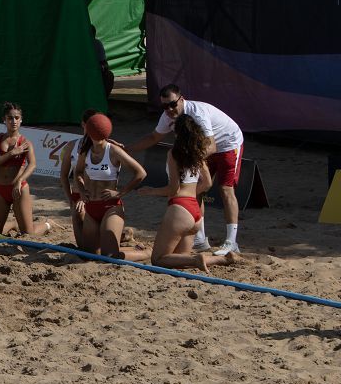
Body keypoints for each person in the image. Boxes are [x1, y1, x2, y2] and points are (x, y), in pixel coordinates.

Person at [125, 84, 245, 256]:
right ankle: (201, 239)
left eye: (173, 104)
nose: (169, 109)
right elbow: (153, 137)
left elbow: (211, 146)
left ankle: (231, 241)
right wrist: (127, 149)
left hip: (227, 143)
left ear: (181, 99)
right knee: (197, 189)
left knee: (226, 189)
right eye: (164, 106)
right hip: (199, 148)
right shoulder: (167, 116)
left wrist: (185, 157)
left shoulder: (197, 113)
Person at [138, 115, 241, 271]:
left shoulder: (173, 153)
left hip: (180, 209)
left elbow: (174, 188)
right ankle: (221, 259)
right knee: (178, 261)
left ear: (177, 133)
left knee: (157, 259)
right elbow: (207, 183)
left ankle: (197, 259)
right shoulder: (198, 154)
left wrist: (152, 191)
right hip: (195, 211)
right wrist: (191, 194)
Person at [72, 114, 149, 260]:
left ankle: (147, 252)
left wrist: (120, 193)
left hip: (110, 207)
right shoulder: (85, 150)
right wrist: (82, 191)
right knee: (90, 256)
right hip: (92, 206)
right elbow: (77, 173)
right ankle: (124, 237)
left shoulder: (113, 150)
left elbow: (141, 173)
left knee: (110, 257)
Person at [0, 102, 52, 238]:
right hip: (0, 189)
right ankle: (13, 224)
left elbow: (33, 164)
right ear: (4, 120)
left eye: (17, 118)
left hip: (19, 188)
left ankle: (47, 224)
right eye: (10, 118)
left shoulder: (25, 142)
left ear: (21, 119)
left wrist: (20, 180)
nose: (14, 121)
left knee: (29, 234)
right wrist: (11, 153)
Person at [59, 108, 99, 248]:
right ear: (83, 124)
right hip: (78, 196)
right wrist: (70, 199)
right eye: (91, 124)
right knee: (84, 247)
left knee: (92, 248)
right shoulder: (72, 145)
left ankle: (124, 237)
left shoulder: (104, 146)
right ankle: (124, 236)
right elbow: (64, 175)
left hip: (96, 196)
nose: (94, 127)